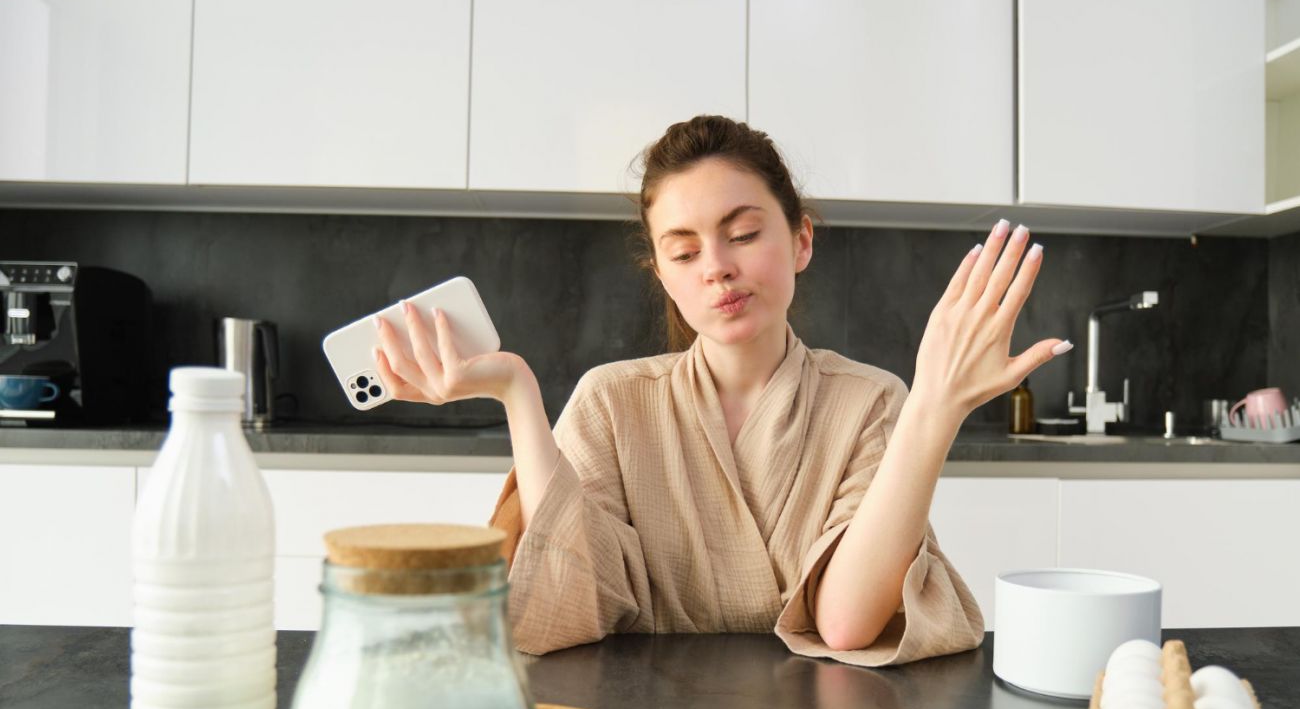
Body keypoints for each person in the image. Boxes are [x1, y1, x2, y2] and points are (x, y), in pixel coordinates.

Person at [373, 115, 1072, 666]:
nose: (716, 268)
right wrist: (517, 393)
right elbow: (565, 603)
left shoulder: (871, 401)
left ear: (801, 241)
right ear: (663, 273)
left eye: (742, 234)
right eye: (683, 252)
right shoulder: (612, 402)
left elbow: (846, 623)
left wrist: (934, 409)